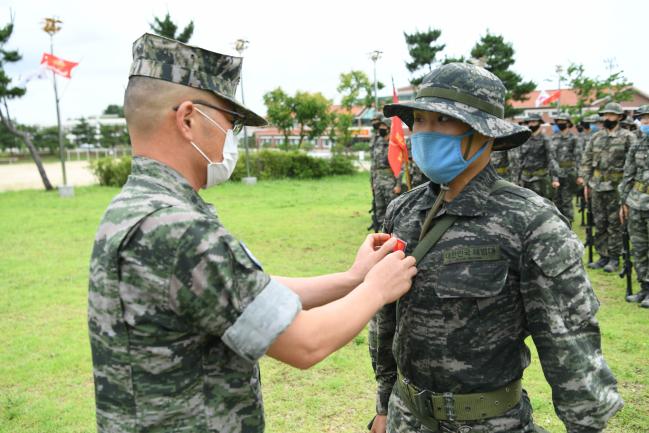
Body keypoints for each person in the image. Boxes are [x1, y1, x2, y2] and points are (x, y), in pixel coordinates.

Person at [87, 33, 417, 433]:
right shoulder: (179, 230)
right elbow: (305, 343)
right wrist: (377, 289)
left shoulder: (136, 208)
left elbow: (247, 293)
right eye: (231, 122)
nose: (232, 138)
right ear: (188, 119)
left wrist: (352, 279)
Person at [369, 62, 622, 433]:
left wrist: (585, 425)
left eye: (442, 121)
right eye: (419, 121)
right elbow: (386, 319)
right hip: (406, 417)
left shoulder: (531, 220)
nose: (424, 133)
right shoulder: (403, 211)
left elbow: (569, 342)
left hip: (488, 423)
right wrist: (384, 402)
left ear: (482, 132)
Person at [578, 102, 638, 272]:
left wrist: (629, 188)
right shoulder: (596, 137)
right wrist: (585, 180)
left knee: (615, 224)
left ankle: (614, 258)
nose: (607, 118)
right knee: (599, 222)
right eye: (605, 115)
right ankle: (602, 256)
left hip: (616, 187)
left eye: (611, 115)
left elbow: (633, 163)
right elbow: (587, 159)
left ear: (619, 117)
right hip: (596, 186)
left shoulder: (628, 137)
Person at [619, 104, 649, 307]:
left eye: (648, 118)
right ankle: (645, 287)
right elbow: (628, 175)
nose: (645, 122)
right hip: (637, 202)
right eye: (643, 119)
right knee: (639, 247)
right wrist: (624, 202)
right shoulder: (638, 145)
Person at [514, 113, 559, 200]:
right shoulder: (524, 139)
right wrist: (516, 179)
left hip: (540, 179)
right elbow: (519, 160)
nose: (531, 124)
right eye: (529, 122)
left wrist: (555, 179)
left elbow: (552, 159)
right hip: (525, 179)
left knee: (540, 205)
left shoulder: (545, 139)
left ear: (539, 123)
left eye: (534, 122)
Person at [370, 116, 403, 231]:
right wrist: (373, 182)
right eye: (380, 127)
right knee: (379, 208)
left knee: (391, 208)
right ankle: (380, 233)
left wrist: (398, 184)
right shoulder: (378, 142)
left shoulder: (394, 144)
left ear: (389, 128)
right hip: (378, 180)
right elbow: (374, 165)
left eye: (383, 126)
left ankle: (393, 232)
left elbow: (400, 166)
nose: (381, 129)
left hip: (390, 181)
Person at [551, 112, 580, 221]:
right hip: (556, 174)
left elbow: (578, 157)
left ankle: (568, 225)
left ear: (568, 123)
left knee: (567, 201)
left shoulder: (574, 138)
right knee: (556, 201)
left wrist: (579, 175)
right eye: (558, 121)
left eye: (562, 121)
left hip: (569, 174)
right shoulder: (553, 138)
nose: (560, 123)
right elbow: (552, 157)